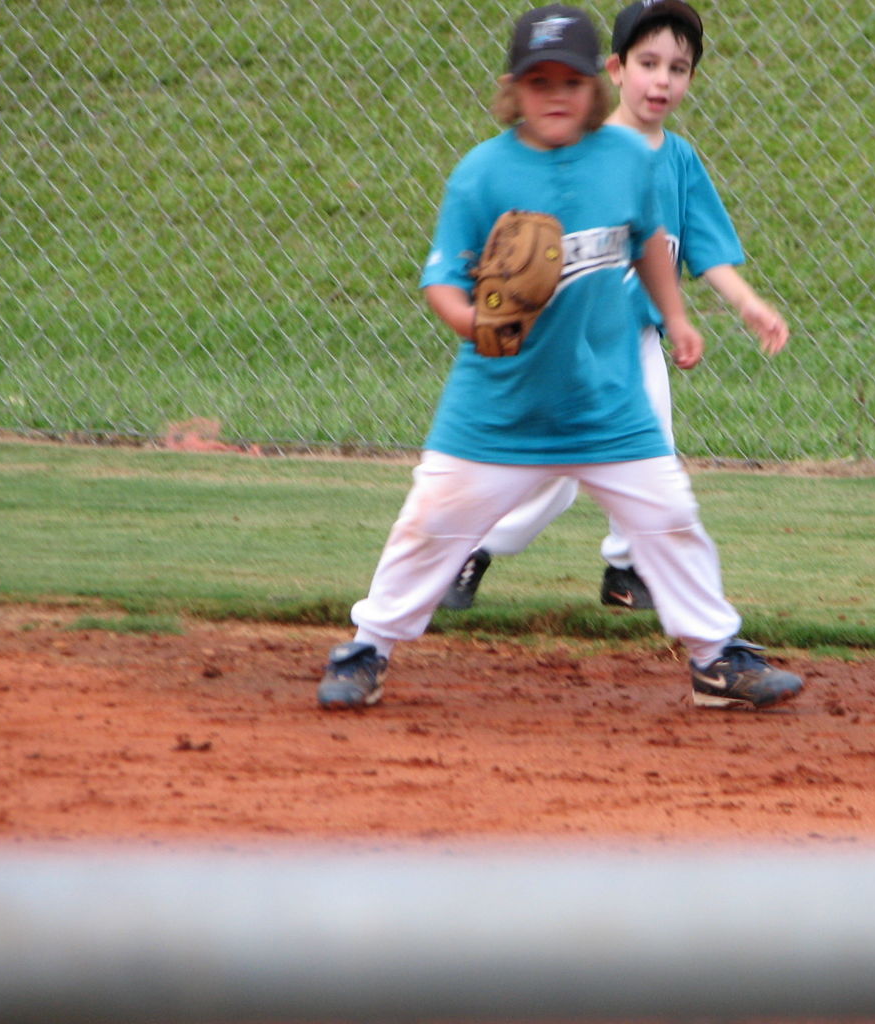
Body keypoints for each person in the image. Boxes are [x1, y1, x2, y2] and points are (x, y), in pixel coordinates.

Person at [317, 4, 803, 713]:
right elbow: (441, 279)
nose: (554, 95)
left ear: (594, 89)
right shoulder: (482, 174)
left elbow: (648, 241)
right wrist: (472, 321)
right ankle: (367, 647)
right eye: (537, 81)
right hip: (498, 406)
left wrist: (674, 315)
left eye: (568, 82)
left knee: (670, 519)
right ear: (513, 89)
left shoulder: (625, 160)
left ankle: (715, 658)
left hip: (606, 401)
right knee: (429, 527)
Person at [439, 0, 788, 614]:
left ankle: (627, 568)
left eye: (678, 68)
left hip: (638, 341)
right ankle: (473, 549)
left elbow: (704, 252)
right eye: (648, 62)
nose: (663, 80)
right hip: (564, 341)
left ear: (690, 80)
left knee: (653, 452)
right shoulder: (580, 150)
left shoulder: (677, 161)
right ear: (615, 70)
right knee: (551, 477)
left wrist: (746, 305)